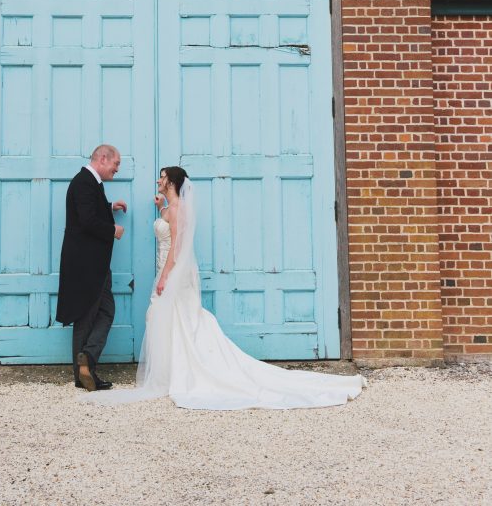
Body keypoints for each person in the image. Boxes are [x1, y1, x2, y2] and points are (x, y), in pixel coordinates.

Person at [86, 166, 365, 410]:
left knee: (173, 317)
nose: (158, 181)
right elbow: (168, 227)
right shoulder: (170, 208)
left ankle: (187, 372)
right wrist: (161, 207)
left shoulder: (178, 210)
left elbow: (178, 248)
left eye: (162, 178)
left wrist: (165, 276)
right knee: (168, 319)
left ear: (171, 182)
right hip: (167, 268)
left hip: (174, 271)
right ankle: (173, 372)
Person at [56, 144, 127, 392]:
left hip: (94, 264)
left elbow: (87, 210)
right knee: (87, 316)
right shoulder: (84, 182)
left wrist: (109, 207)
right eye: (116, 164)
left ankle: (85, 362)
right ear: (103, 158)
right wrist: (112, 229)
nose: (117, 169)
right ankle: (84, 369)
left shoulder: (89, 183)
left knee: (104, 311)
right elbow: (86, 221)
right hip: (87, 265)